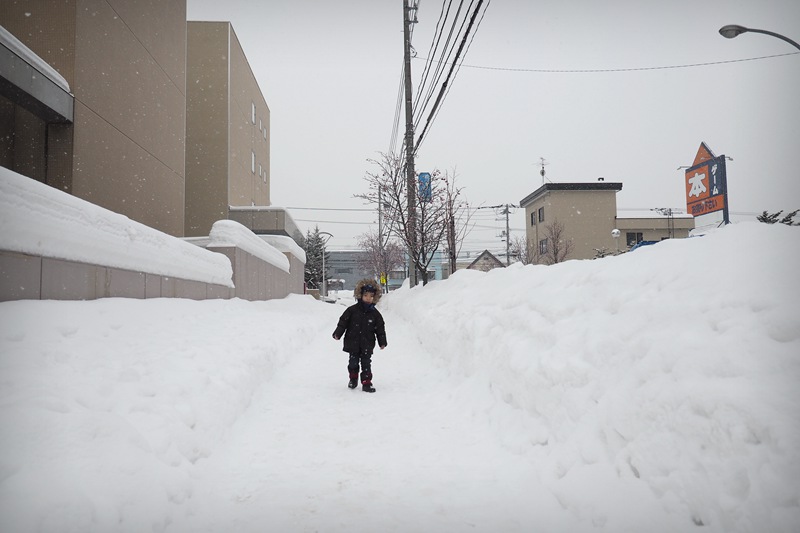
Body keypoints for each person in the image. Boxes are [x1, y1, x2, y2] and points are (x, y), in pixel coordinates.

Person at [332, 278, 387, 393]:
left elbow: (380, 329)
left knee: (366, 363)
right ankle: (353, 378)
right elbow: (343, 322)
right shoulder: (352, 311)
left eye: (371, 296)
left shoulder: (375, 314)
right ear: (360, 295)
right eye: (366, 295)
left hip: (367, 343)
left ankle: (366, 382)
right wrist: (338, 333)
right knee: (353, 362)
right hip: (353, 342)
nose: (368, 298)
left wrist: (382, 341)